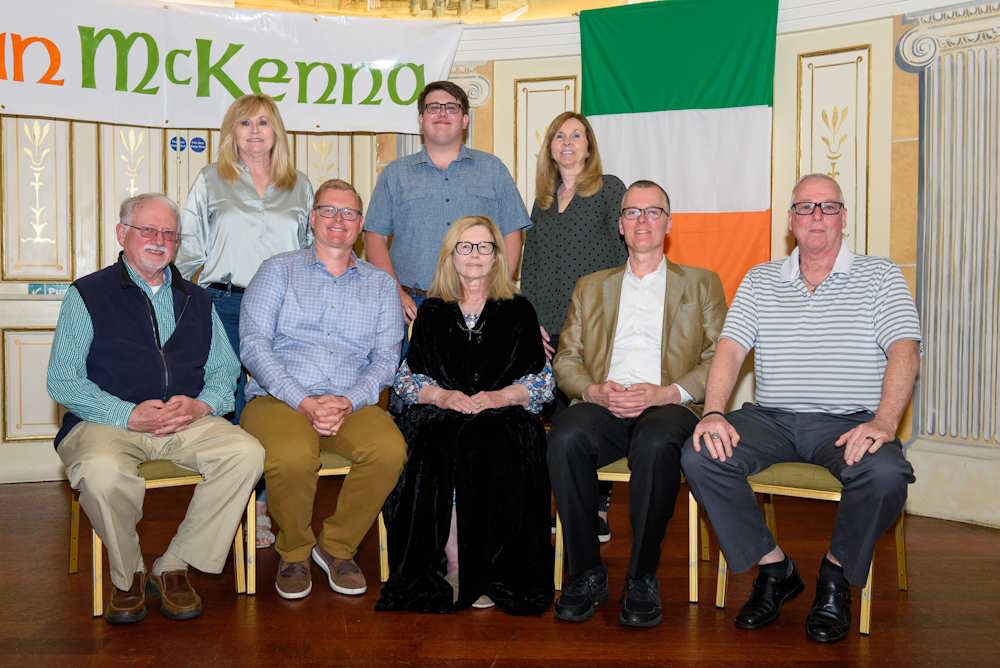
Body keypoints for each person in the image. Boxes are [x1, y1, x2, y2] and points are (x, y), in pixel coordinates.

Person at [681, 174, 921, 643]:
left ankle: (835, 576)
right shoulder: (760, 279)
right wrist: (712, 412)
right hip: (771, 419)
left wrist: (884, 423)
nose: (817, 216)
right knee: (701, 452)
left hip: (850, 422)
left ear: (844, 218)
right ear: (790, 220)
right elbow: (729, 349)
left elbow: (905, 350)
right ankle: (775, 569)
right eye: (805, 207)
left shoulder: (881, 275)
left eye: (828, 207)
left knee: (887, 474)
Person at [47, 193, 265, 624]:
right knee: (100, 473)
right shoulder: (87, 294)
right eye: (148, 229)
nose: (159, 240)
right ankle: (128, 575)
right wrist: (126, 414)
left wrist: (202, 405)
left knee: (247, 454)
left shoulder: (197, 299)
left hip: (185, 421)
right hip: (107, 422)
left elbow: (225, 370)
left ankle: (174, 565)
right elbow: (63, 380)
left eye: (169, 233)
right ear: (121, 233)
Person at [547, 180, 727, 628]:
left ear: (669, 223)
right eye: (632, 212)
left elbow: (719, 357)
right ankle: (585, 573)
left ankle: (642, 576)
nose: (642, 220)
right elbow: (566, 358)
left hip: (667, 405)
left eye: (653, 212)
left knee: (656, 443)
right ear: (620, 226)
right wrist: (593, 391)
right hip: (603, 402)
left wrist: (668, 392)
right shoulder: (591, 287)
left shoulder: (701, 284)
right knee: (564, 437)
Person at [375, 216, 554, 615]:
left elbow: (542, 382)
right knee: (436, 442)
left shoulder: (519, 310)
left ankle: (492, 570)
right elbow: (407, 379)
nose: (475, 255)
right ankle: (456, 566)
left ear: (497, 256)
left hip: (503, 412)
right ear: (451, 256)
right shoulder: (432, 311)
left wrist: (499, 397)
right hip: (443, 411)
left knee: (493, 441)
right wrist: (442, 396)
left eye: (484, 246)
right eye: (465, 246)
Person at [238, 179, 407, 601]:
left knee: (390, 451)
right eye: (328, 210)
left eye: (349, 213)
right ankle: (294, 552)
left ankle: (336, 547)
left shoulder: (381, 285)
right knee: (293, 456)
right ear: (312, 218)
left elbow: (386, 359)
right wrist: (304, 400)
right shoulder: (277, 270)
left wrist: (349, 400)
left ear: (361, 225)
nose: (338, 220)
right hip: (279, 397)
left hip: (351, 401)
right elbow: (254, 345)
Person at [175, 93, 313, 549]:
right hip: (225, 305)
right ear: (231, 132)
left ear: (277, 132)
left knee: (277, 403)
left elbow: (311, 252)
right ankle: (239, 502)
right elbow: (189, 248)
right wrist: (178, 304)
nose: (254, 131)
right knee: (229, 404)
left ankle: (268, 503)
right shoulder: (210, 179)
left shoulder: (300, 186)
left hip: (284, 311)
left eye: (263, 122)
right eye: (244, 123)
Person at [520, 111, 628, 543]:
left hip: (594, 326)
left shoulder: (609, 189)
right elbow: (532, 264)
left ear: (589, 146)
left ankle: (594, 508)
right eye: (559, 136)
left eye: (576, 136)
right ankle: (555, 505)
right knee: (541, 419)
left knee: (587, 416)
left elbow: (627, 255)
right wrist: (532, 320)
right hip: (547, 328)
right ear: (550, 148)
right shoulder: (543, 202)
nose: (567, 143)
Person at [364, 80, 531, 325]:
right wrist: (396, 294)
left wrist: (498, 293)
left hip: (480, 303)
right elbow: (374, 237)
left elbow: (512, 233)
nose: (442, 113)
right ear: (421, 119)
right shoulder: (395, 174)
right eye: (433, 107)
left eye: (451, 107)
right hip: (413, 306)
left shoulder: (493, 169)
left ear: (464, 120)